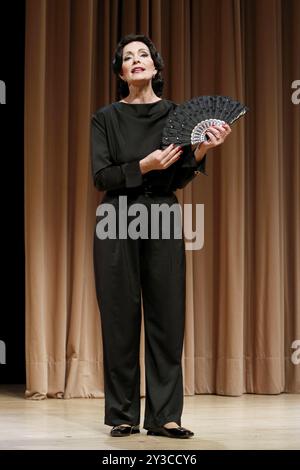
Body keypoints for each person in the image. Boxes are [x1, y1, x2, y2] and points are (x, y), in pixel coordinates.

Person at [91, 34, 231, 439]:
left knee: (167, 316)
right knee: (119, 316)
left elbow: (180, 177)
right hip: (115, 215)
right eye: (128, 57)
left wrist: (201, 151)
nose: (137, 60)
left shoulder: (175, 115)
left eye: (143, 55)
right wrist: (144, 164)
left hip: (163, 214)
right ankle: (121, 414)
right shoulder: (105, 118)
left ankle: (165, 416)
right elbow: (102, 176)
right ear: (120, 71)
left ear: (155, 65)